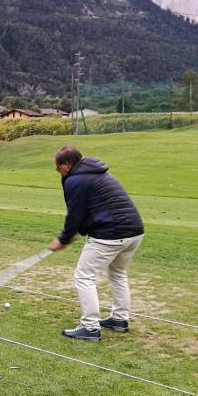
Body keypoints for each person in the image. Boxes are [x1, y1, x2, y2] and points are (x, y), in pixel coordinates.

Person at [49, 146, 144, 341]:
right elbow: (90, 209)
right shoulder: (96, 172)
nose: (58, 172)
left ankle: (90, 327)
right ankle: (119, 319)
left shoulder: (75, 179)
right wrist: (74, 233)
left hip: (110, 233)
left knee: (84, 276)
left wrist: (64, 239)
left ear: (67, 164)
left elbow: (75, 214)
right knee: (118, 273)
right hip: (134, 232)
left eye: (58, 168)